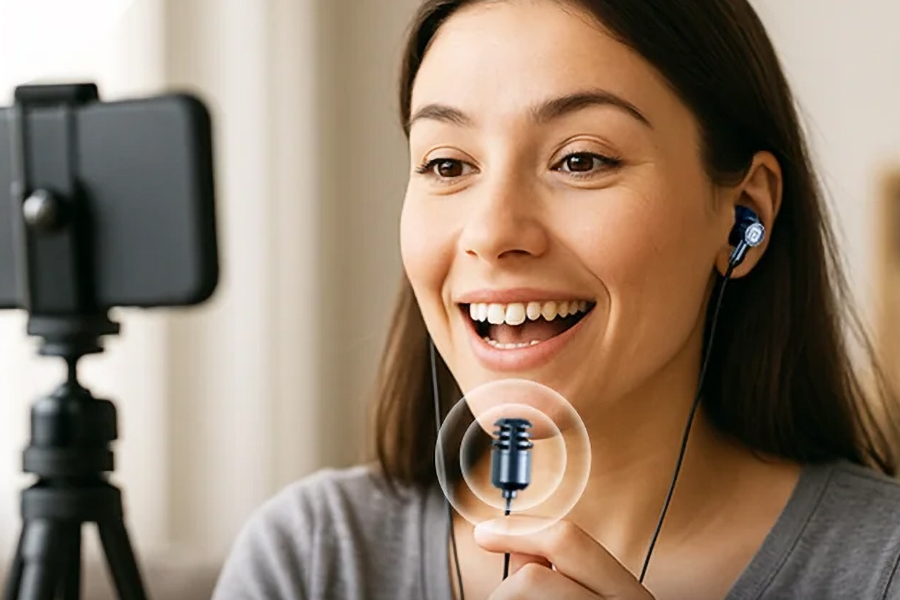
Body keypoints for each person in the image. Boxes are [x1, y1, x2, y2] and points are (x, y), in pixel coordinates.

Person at [212, 1, 900, 598]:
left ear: (743, 216)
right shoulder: (313, 560)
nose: (492, 233)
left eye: (581, 159)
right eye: (447, 165)